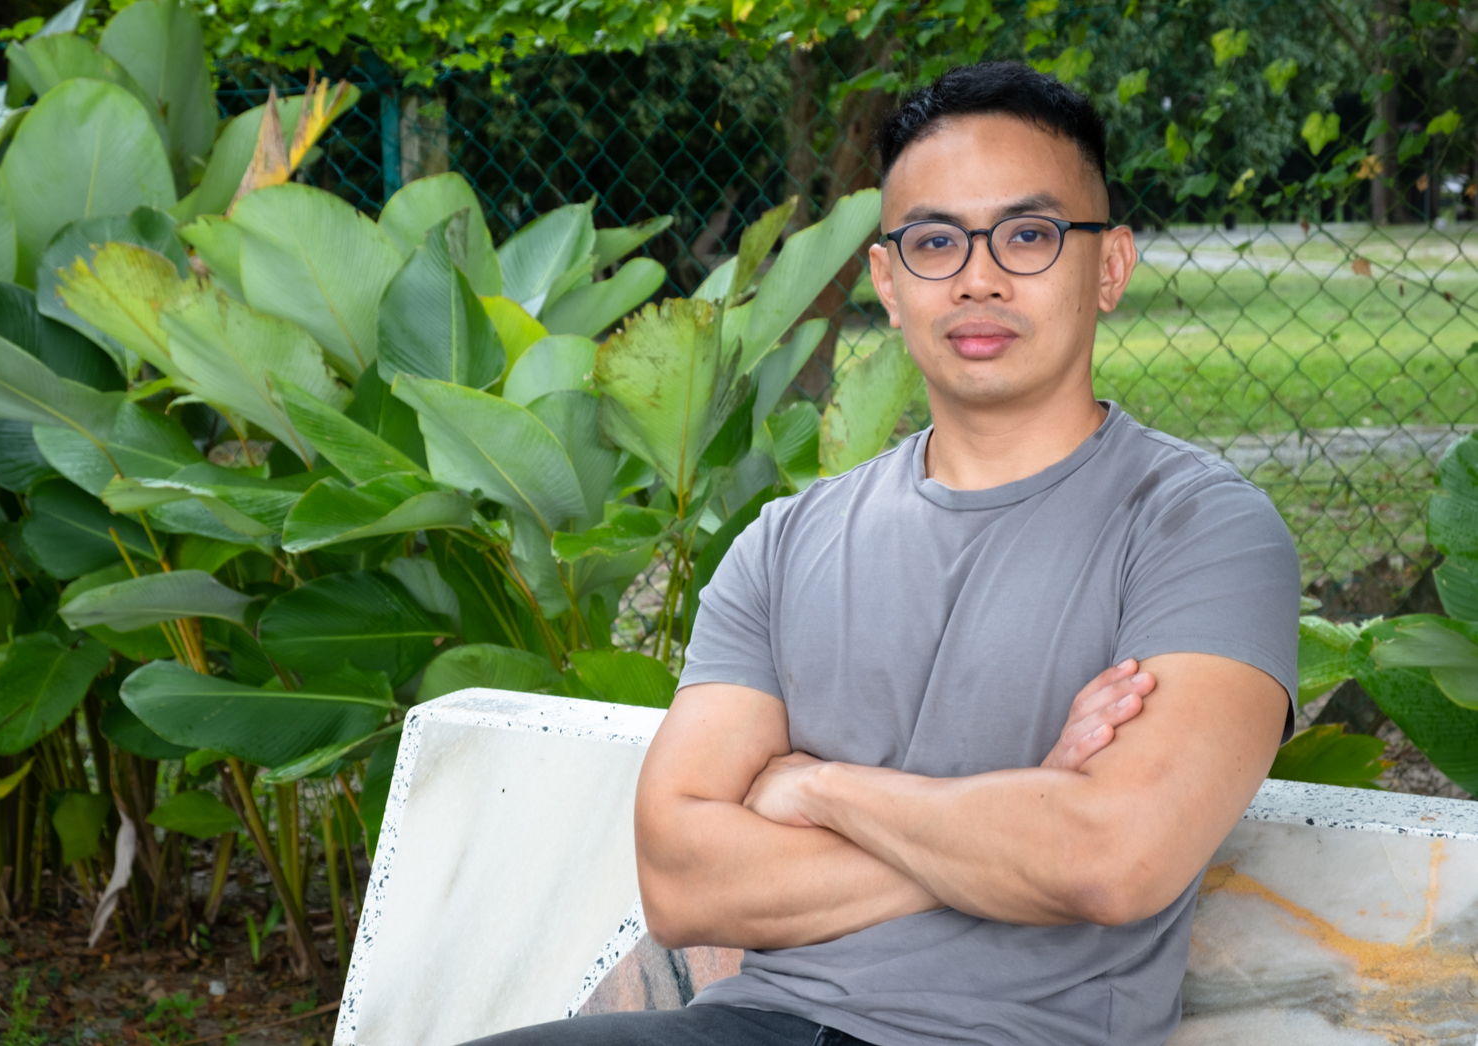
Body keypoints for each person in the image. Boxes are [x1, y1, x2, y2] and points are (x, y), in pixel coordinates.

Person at [468, 59, 1299, 1046]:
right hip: (755, 1025)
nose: (978, 275)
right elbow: (682, 880)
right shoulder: (785, 543)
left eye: (1029, 235)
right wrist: (1018, 805)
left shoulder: (1200, 530)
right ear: (888, 281)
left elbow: (1110, 857)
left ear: (1108, 266)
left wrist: (816, 788)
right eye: (935, 241)